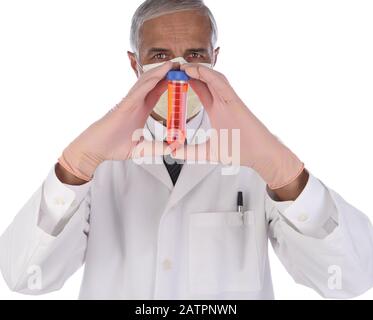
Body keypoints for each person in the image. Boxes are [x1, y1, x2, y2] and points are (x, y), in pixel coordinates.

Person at [1, 0, 372, 300]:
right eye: (160, 56)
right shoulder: (99, 162)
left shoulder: (250, 156)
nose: (178, 73)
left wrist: (286, 175)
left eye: (195, 55)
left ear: (215, 58)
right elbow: (24, 277)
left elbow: (350, 279)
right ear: (134, 64)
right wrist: (74, 168)